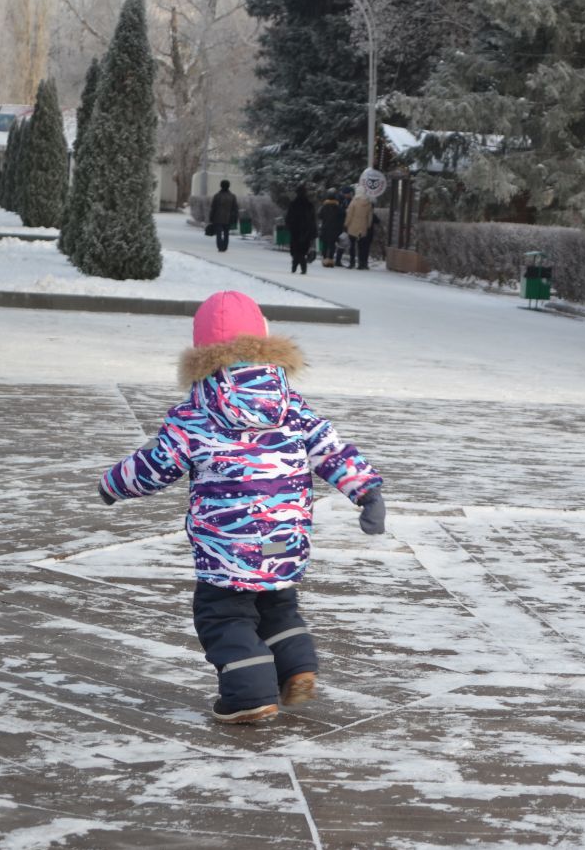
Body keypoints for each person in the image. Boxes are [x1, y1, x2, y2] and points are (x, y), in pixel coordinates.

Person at [97, 291, 387, 724]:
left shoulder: (195, 412)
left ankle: (249, 694)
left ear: (202, 353)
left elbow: (156, 465)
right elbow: (333, 450)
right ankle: (297, 665)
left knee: (223, 615)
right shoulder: (293, 407)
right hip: (282, 541)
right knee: (277, 603)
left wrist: (112, 485)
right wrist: (367, 492)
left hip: (227, 546)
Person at [284, 184, 317, 274]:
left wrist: (288, 227)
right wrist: (313, 232)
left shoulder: (293, 204)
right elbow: (313, 220)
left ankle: (294, 266)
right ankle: (303, 267)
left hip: (295, 230)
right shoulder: (309, 205)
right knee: (303, 250)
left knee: (295, 249)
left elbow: (288, 217)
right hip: (306, 231)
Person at [344, 188, 374, 270]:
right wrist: (368, 225)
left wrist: (346, 224)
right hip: (363, 227)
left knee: (352, 245)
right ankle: (361, 263)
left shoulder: (354, 202)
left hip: (353, 226)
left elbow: (349, 214)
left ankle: (352, 262)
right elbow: (370, 216)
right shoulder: (368, 203)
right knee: (361, 246)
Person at [207, 179, 239, 253]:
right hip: (228, 218)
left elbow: (213, 208)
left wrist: (211, 217)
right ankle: (224, 247)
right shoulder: (232, 196)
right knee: (226, 233)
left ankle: (220, 247)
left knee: (218, 233)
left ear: (221, 186)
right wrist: (235, 218)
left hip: (217, 218)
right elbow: (235, 208)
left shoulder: (217, 196)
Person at [317, 188, 344, 267]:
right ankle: (330, 259)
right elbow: (343, 216)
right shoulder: (338, 208)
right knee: (332, 245)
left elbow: (320, 216)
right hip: (335, 229)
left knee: (325, 244)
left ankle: (325, 258)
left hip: (325, 228)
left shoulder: (324, 207)